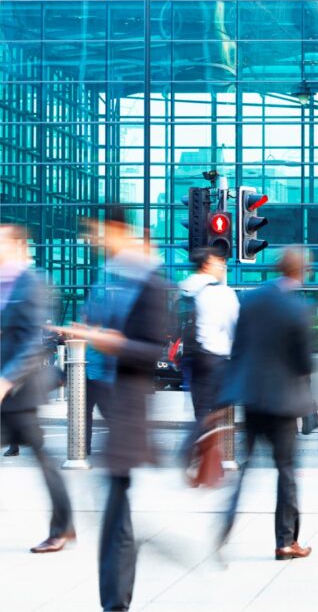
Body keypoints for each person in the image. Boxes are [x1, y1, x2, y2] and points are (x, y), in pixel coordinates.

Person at [55, 206, 169, 611]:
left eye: (98, 231)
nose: (94, 239)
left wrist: (102, 340)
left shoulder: (149, 283)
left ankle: (116, 602)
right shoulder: (108, 276)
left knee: (116, 513)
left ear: (119, 230)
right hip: (104, 397)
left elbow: (149, 349)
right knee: (115, 510)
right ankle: (117, 596)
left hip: (128, 405)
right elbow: (96, 324)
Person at [214, 247, 317, 561]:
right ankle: (286, 542)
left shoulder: (252, 300)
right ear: (303, 271)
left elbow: (239, 348)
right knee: (285, 472)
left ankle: (223, 529)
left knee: (245, 469)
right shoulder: (299, 308)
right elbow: (304, 363)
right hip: (284, 403)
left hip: (253, 397)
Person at [0, 224, 75, 554]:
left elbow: (31, 341)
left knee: (44, 458)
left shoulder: (31, 282)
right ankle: (65, 526)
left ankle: (63, 527)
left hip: (19, 390)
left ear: (17, 246)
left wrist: (7, 380)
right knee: (43, 457)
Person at [176, 246, 239, 465]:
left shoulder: (184, 288)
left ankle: (205, 459)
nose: (222, 267)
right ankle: (189, 449)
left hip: (192, 358)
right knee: (222, 405)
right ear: (207, 265)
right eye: (219, 263)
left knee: (201, 408)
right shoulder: (221, 292)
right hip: (216, 357)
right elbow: (235, 327)